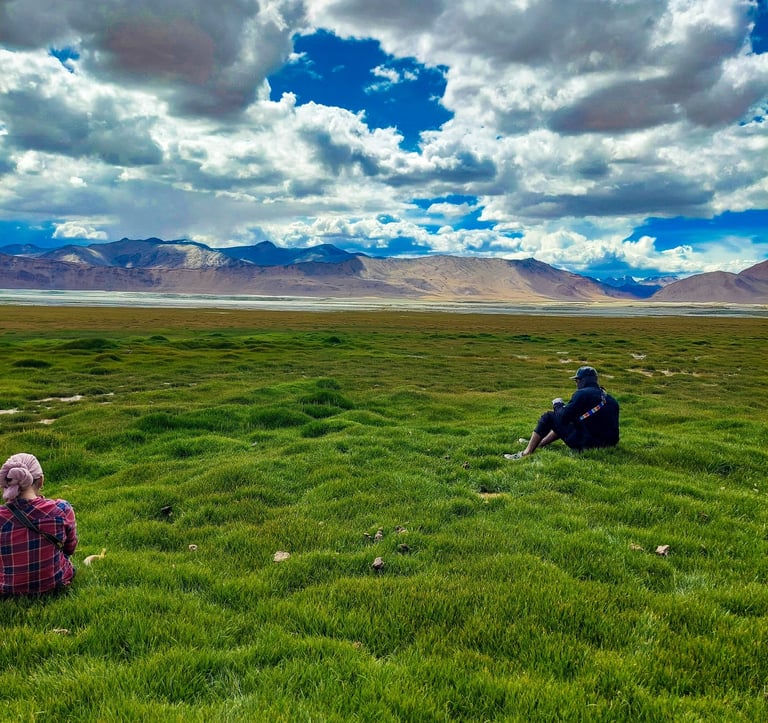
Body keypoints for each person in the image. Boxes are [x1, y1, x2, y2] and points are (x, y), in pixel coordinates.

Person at [0, 453, 78, 596]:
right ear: (41, 481)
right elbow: (70, 548)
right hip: (55, 581)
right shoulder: (62, 509)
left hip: (7, 589)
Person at [505, 366, 619, 460]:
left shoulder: (581, 394)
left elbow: (563, 417)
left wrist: (557, 404)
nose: (576, 384)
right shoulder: (610, 399)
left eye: (577, 380)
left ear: (582, 380)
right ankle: (540, 444)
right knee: (568, 420)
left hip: (587, 444)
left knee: (549, 416)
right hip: (608, 444)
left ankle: (526, 453)